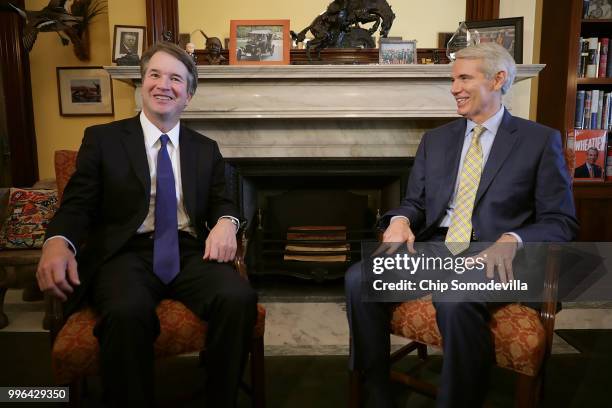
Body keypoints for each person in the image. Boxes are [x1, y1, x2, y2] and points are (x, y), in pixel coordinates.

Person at [345, 42, 578, 407]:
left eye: (464, 78)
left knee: (453, 297)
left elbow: (561, 221)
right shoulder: (436, 141)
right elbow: (415, 202)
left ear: (498, 79)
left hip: (499, 257)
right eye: (453, 79)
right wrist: (402, 220)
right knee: (360, 278)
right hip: (438, 247)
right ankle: (376, 388)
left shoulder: (538, 141)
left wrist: (514, 238)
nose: (454, 87)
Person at [36, 42, 257, 407]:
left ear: (188, 95)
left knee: (239, 298)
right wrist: (58, 240)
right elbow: (78, 204)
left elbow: (225, 200)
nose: (163, 85)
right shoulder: (103, 140)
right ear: (142, 84)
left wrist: (227, 223)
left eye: (175, 79)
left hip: (188, 251)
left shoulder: (206, 149)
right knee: (126, 313)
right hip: (125, 253)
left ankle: (220, 398)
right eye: (155, 74)